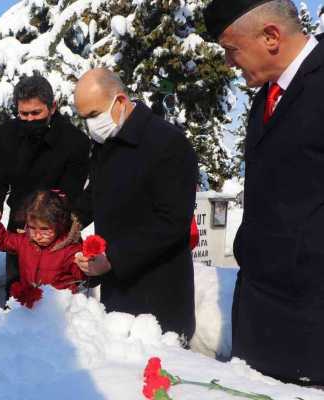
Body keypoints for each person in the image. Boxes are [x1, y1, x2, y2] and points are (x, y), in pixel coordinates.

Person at [205, 0, 324, 386]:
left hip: (310, 320)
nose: (228, 63)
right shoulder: (267, 97)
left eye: (230, 49)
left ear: (271, 36)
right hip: (260, 311)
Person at [72, 68, 198, 341]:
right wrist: (73, 219)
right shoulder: (106, 142)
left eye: (94, 115)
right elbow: (98, 190)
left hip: (160, 294)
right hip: (117, 289)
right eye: (84, 119)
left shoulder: (167, 143)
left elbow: (172, 222)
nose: (90, 125)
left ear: (119, 101)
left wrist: (114, 258)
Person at [0, 75, 90, 295]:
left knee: (58, 292)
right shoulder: (9, 133)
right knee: (16, 291)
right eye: (24, 114)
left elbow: (73, 190)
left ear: (52, 107)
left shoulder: (74, 140)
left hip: (57, 226)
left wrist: (55, 225)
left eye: (36, 113)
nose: (30, 120)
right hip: (21, 221)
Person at [0, 190, 86, 293]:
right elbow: (2, 239)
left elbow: (83, 275)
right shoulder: (25, 242)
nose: (38, 235)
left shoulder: (69, 250)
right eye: (32, 227)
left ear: (59, 225)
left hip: (58, 307)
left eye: (44, 229)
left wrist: (87, 262)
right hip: (31, 304)